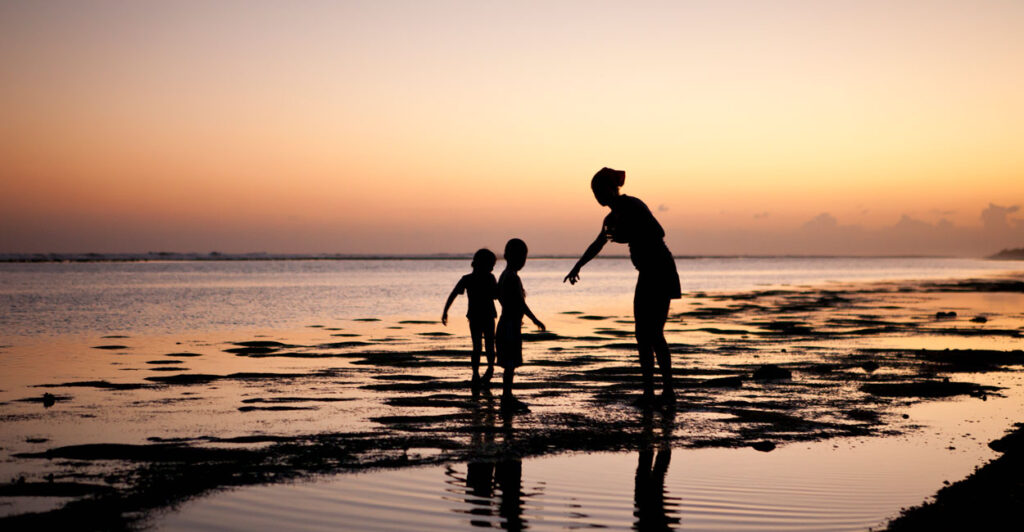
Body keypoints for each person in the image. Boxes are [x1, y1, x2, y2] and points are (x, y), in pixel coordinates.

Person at [564, 167, 681, 408]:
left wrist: (627, 236)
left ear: (611, 188)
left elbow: (658, 232)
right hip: (646, 274)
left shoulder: (633, 205)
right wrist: (578, 266)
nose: (598, 195)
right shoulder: (610, 218)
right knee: (642, 334)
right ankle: (649, 392)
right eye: (594, 192)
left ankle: (667, 390)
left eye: (600, 190)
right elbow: (599, 243)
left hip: (660, 269)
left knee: (654, 333)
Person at [496, 238, 545, 413]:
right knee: (510, 363)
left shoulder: (506, 275)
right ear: (508, 256)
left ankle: (507, 395)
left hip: (509, 323)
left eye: (523, 257)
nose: (522, 261)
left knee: (510, 363)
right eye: (519, 257)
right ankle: (506, 396)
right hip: (509, 324)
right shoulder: (510, 277)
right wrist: (535, 319)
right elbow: (519, 303)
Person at [442, 248, 499, 390]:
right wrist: (445, 311)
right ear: (481, 264)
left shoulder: (486, 278)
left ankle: (488, 370)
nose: (492, 268)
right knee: (480, 347)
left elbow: (498, 296)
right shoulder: (469, 279)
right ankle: (476, 373)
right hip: (476, 317)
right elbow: (453, 294)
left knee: (486, 345)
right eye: (491, 264)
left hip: (484, 316)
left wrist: (445, 312)